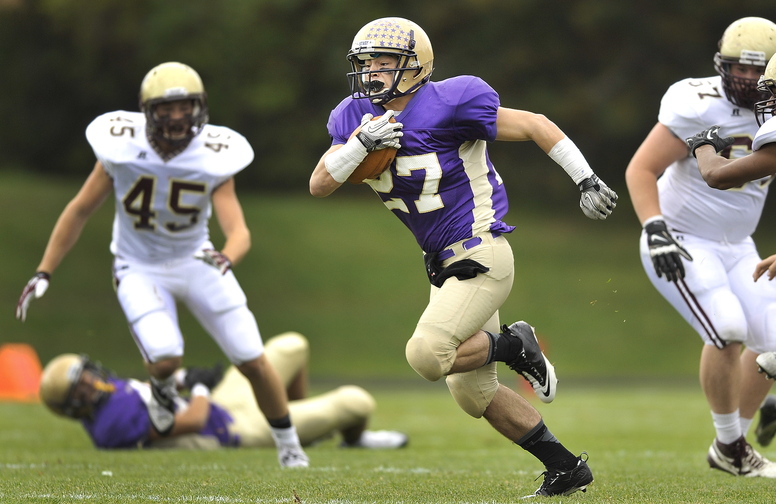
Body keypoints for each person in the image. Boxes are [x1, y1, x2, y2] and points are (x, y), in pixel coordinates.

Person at [309, 17, 618, 497]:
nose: (371, 72)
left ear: (414, 67)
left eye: (384, 62)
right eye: (366, 62)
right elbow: (320, 184)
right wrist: (358, 146)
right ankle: (564, 467)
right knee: (473, 394)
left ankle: (515, 346)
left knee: (428, 356)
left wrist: (585, 178)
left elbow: (535, 124)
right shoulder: (353, 118)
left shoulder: (451, 101)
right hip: (441, 267)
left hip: (481, 251)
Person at [15, 62, 309, 467]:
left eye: (184, 107)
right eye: (165, 109)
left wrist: (229, 256)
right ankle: (163, 392)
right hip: (139, 265)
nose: (175, 118)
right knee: (166, 355)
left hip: (195, 259)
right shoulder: (119, 147)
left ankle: (289, 444)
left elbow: (238, 231)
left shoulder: (215, 155)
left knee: (251, 358)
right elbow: (79, 210)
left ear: (199, 108)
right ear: (146, 111)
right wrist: (44, 269)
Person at [624, 17, 776, 477]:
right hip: (683, 239)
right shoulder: (696, 100)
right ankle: (731, 445)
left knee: (771, 340)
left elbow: (720, 171)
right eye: (738, 68)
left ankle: (731, 446)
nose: (747, 79)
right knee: (728, 327)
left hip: (738, 244)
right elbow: (641, 169)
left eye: (758, 70)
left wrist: (708, 152)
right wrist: (655, 227)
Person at [38, 332, 409, 450]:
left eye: (86, 374)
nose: (92, 382)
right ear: (72, 406)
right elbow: (192, 420)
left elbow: (157, 391)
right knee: (357, 401)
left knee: (292, 345)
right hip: (231, 429)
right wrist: (198, 387)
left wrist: (183, 379)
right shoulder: (110, 425)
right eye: (81, 386)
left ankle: (294, 419)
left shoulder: (111, 393)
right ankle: (352, 440)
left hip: (221, 405)